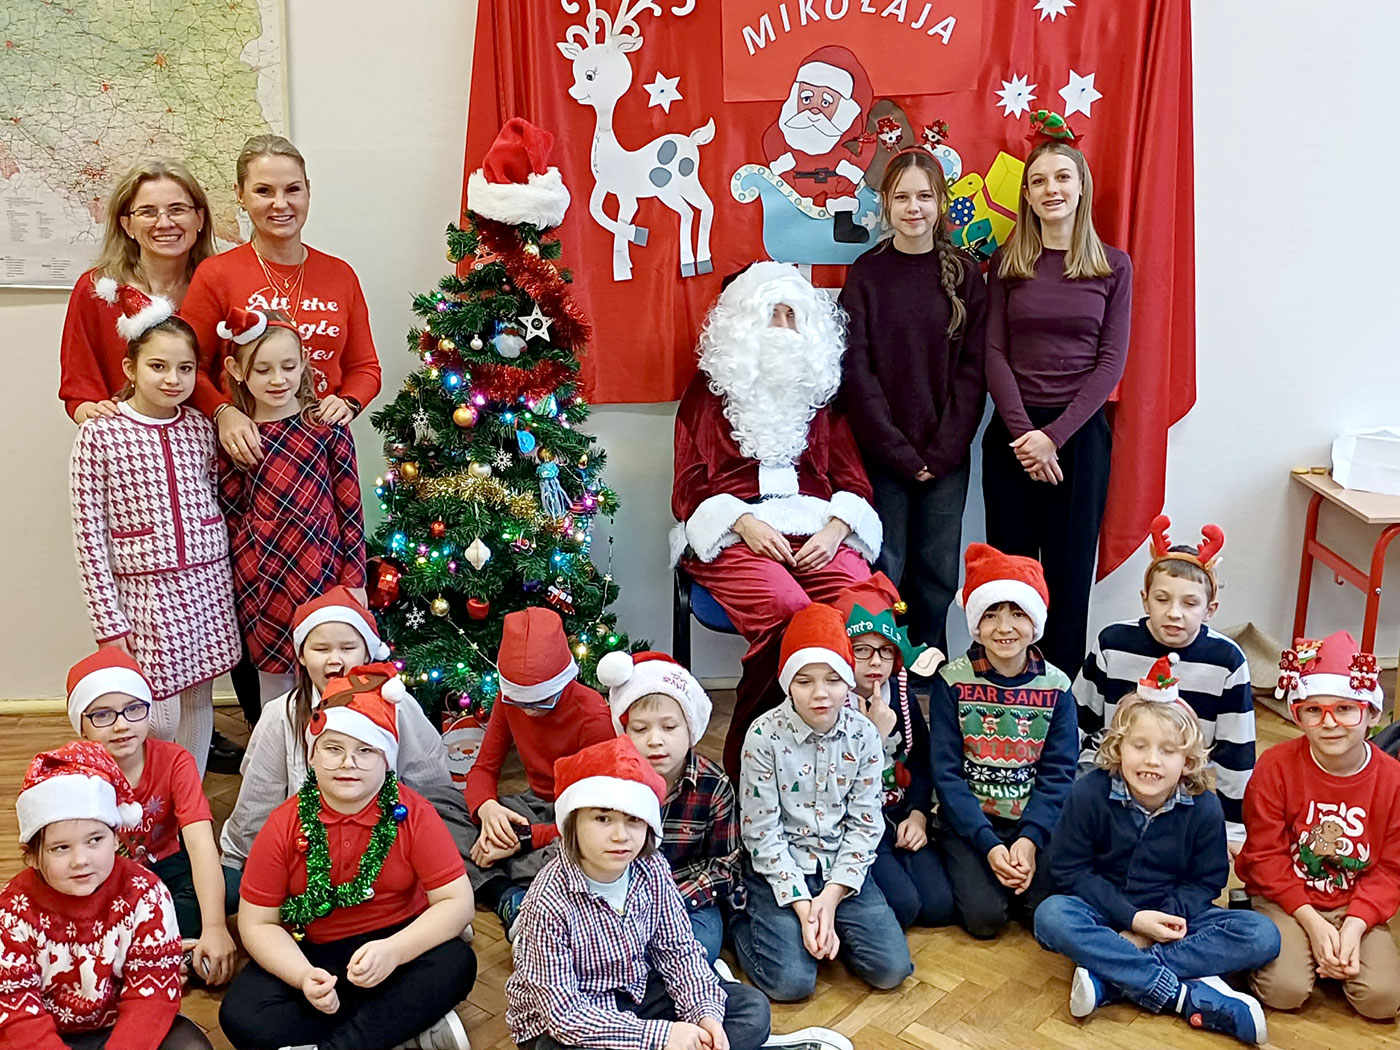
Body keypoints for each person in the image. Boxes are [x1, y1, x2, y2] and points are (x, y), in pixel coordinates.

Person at [672, 260, 880, 779]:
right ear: (745, 322)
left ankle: (851, 756)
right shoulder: (707, 394)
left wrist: (836, 529)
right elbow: (688, 490)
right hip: (733, 537)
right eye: (773, 314)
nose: (784, 327)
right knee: (790, 612)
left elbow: (855, 482)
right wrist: (742, 522)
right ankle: (752, 758)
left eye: (793, 315)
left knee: (864, 608)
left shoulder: (822, 397)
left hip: (817, 532)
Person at [219, 664, 477, 1050]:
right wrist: (303, 976)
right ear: (312, 755)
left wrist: (394, 951)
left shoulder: (413, 814)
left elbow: (457, 902)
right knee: (241, 1015)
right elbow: (257, 923)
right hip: (312, 949)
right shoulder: (284, 822)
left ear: (387, 758)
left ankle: (339, 1042)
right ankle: (399, 1028)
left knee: (456, 962)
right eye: (333, 748)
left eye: (365, 750)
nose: (348, 763)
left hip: (396, 942)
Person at [1036, 684, 1280, 1045]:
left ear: (1188, 761)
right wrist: (1133, 919)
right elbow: (1070, 870)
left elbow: (1207, 881)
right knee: (1051, 916)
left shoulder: (1204, 807)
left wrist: (1156, 926)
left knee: (1261, 935)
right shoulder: (1088, 793)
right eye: (1139, 746)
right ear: (1118, 748)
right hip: (1104, 912)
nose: (1152, 760)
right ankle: (1179, 995)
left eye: (1168, 751)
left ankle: (1110, 979)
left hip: (1173, 917)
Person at [506, 736, 786, 1050]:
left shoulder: (651, 868)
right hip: (571, 1020)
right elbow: (564, 1017)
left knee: (751, 1009)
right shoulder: (547, 901)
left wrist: (704, 1014)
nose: (620, 835)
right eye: (602, 819)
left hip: (635, 989)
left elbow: (678, 951)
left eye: (634, 820)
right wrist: (662, 1037)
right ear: (572, 821)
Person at [68, 286, 240, 777]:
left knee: (198, 701)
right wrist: (108, 624)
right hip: (146, 593)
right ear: (131, 368)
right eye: (158, 366)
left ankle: (190, 800)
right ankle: (152, 803)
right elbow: (89, 538)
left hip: (207, 585)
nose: (172, 379)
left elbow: (216, 495)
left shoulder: (201, 428)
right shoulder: (100, 434)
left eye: (185, 368)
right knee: (155, 714)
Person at [982, 139, 1134, 676]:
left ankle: (1063, 692)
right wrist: (1026, 435)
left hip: (1079, 440)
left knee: (1069, 576)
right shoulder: (1006, 264)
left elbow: (1111, 363)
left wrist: (1055, 436)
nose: (1052, 189)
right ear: (1026, 194)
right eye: (1040, 180)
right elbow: (994, 353)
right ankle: (1006, 689)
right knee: (1010, 575)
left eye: (1063, 177)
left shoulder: (1114, 267)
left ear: (1081, 187)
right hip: (1014, 439)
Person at [840, 147, 988, 655]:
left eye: (924, 196)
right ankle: (884, 664)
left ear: (941, 202)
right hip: (883, 453)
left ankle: (929, 663)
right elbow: (856, 371)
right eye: (901, 197)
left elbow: (973, 372)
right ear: (885, 203)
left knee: (938, 567)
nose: (913, 208)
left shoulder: (966, 274)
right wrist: (898, 451)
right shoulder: (867, 274)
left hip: (946, 454)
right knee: (887, 562)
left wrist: (943, 452)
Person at [219, 588, 477, 879]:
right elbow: (258, 799)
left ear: (367, 652)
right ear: (301, 655)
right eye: (321, 649)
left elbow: (431, 783)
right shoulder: (281, 714)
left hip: (386, 854)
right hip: (308, 860)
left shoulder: (398, 706)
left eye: (347, 648)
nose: (334, 660)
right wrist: (236, 862)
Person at [734, 603, 914, 1001]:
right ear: (787, 684)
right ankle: (742, 918)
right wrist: (803, 906)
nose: (820, 693)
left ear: (848, 681)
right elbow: (761, 832)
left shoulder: (864, 734)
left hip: (839, 865)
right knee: (791, 984)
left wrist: (829, 901)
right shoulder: (763, 736)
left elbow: (866, 823)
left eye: (833, 680)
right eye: (804, 681)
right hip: (779, 866)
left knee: (892, 970)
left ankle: (828, 931)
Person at [181, 134, 382, 468]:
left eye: (292, 189)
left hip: (321, 450)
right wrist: (223, 411)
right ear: (240, 195)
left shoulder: (340, 274)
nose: (280, 203)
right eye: (264, 191)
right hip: (245, 453)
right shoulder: (215, 275)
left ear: (308, 191)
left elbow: (365, 367)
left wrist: (349, 401)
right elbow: (189, 368)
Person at [0, 742, 209, 1050]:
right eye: (61, 848)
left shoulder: (146, 894)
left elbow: (152, 996)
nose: (80, 860)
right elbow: (16, 1008)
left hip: (122, 1028)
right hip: (44, 1034)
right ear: (31, 856)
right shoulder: (12, 910)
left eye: (95, 840)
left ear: (115, 838)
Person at [1237, 630, 1400, 1020]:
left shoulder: (1393, 780)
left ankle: (1332, 955)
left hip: (1355, 902)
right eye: (1313, 710)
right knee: (1285, 992)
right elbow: (1264, 856)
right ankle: (1291, 947)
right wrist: (1311, 922)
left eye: (1345, 709)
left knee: (1382, 1000)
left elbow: (1392, 870)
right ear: (1296, 714)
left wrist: (1354, 925)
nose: (1330, 723)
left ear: (1372, 714)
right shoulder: (1275, 767)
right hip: (1286, 898)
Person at [215, 306, 366, 705]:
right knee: (275, 682)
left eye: (287, 366)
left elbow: (350, 508)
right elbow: (231, 513)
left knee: (330, 674)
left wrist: (355, 579)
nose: (278, 379)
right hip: (262, 577)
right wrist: (243, 573)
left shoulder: (327, 428)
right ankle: (277, 746)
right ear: (237, 370)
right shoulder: (237, 435)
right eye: (263, 370)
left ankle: (330, 744)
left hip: (322, 569)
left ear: (304, 364)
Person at [1075, 516, 1255, 850]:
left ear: (1210, 609)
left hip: (1183, 781)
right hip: (1111, 772)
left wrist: (1233, 828)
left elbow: (1237, 752)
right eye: (1162, 599)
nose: (1174, 613)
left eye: (1190, 603)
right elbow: (1079, 721)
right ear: (1145, 600)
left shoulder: (1227, 661)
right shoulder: (1112, 644)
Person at [929, 543, 1077, 938]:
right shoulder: (952, 682)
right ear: (976, 623)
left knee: (1042, 912)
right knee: (985, 919)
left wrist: (1029, 839)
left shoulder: (1057, 687)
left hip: (1035, 820)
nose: (1004, 627)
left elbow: (1059, 774)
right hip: (972, 823)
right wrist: (988, 844)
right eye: (991, 614)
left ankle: (1018, 866)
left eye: (1018, 614)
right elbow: (947, 774)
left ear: (1035, 621)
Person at [66, 650, 238, 986]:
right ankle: (159, 951)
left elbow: (200, 842)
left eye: (133, 709)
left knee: (232, 886)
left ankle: (146, 949)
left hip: (168, 869)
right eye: (102, 715)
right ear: (81, 725)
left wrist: (216, 928)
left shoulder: (175, 760)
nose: (121, 725)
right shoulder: (73, 773)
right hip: (106, 881)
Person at [461, 607, 616, 940]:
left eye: (542, 702)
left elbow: (598, 812)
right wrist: (487, 809)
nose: (529, 711)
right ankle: (509, 895)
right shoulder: (507, 702)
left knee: (589, 847)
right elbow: (483, 768)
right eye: (520, 702)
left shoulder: (592, 715)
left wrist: (525, 839)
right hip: (529, 809)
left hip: (573, 817)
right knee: (432, 806)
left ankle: (491, 879)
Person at [599, 649, 743, 962]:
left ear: (690, 729)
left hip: (688, 897)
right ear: (625, 733)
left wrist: (673, 902)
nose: (655, 740)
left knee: (699, 946)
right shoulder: (609, 782)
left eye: (669, 727)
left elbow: (724, 865)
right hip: (624, 897)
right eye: (640, 729)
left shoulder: (713, 784)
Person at [832, 572, 955, 929]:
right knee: (904, 905)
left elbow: (920, 762)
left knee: (940, 908)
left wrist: (918, 813)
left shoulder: (900, 695)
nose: (875, 662)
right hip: (854, 822)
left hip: (897, 809)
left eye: (886, 651)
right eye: (862, 650)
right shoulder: (829, 701)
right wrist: (872, 734)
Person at [59, 158, 217, 425]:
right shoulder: (97, 290)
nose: (164, 223)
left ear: (199, 218)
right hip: (127, 439)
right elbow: (80, 389)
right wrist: (96, 416)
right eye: (148, 212)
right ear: (127, 224)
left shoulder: (219, 287)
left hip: (211, 439)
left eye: (177, 209)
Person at [761, 45, 876, 243]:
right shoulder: (786, 129)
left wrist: (850, 171)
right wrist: (782, 164)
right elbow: (771, 140)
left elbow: (864, 149)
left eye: (825, 103)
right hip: (794, 179)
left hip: (837, 184)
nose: (814, 111)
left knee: (842, 197)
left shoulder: (851, 133)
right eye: (807, 98)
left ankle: (843, 227)